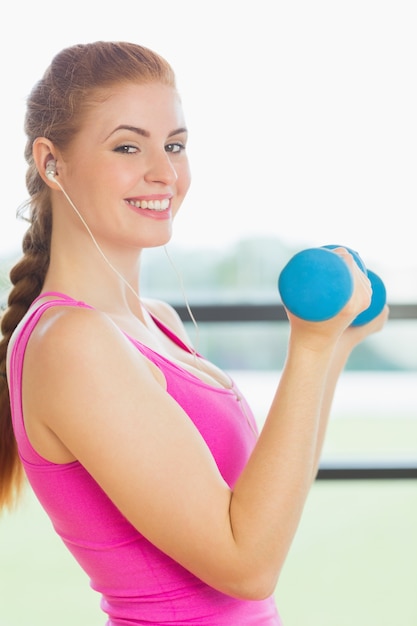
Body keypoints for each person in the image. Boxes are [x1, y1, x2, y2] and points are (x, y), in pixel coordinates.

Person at [0, 41, 388, 625]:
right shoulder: (71, 343)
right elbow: (246, 565)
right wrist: (308, 347)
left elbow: (266, 510)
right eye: (128, 145)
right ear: (52, 163)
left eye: (175, 145)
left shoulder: (155, 322)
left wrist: (334, 345)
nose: (165, 172)